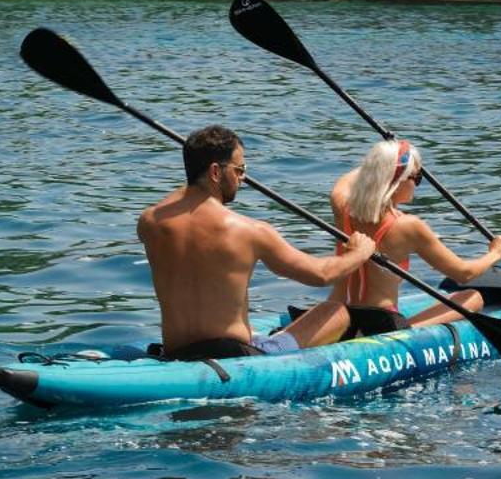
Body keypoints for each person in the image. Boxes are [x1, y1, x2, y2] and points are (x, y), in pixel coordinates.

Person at [137, 124, 375, 362]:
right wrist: (359, 252)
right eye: (239, 169)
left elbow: (180, 202)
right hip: (235, 356)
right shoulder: (249, 230)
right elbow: (322, 275)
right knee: (335, 311)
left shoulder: (150, 223)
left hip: (176, 352)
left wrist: (194, 176)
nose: (243, 178)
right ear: (215, 173)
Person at [287, 136, 501, 343]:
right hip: (380, 326)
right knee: (473, 297)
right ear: (398, 179)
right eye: (417, 177)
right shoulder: (408, 226)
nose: (417, 184)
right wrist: (496, 253)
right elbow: (464, 273)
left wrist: (383, 159)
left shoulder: (343, 206)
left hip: (339, 318)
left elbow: (351, 179)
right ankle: (409, 329)